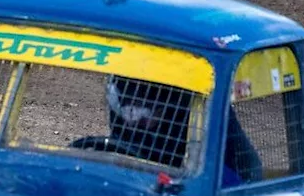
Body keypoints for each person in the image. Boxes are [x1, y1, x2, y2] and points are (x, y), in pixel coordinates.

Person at [104, 77, 261, 184]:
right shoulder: (121, 146)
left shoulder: (212, 173)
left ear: (165, 109)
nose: (132, 121)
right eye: (126, 111)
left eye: (143, 111)